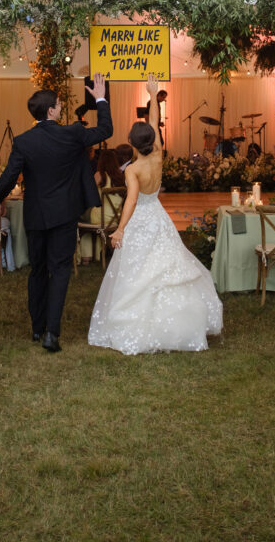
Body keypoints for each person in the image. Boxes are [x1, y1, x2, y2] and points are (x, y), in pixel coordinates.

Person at [89, 74, 222, 355]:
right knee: (164, 264)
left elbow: (132, 201)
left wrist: (121, 228)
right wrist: (152, 96)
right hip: (159, 217)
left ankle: (140, 323)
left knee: (137, 271)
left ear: (133, 144)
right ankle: (175, 324)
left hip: (142, 218)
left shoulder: (133, 170)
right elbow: (153, 122)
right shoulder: (159, 152)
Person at [0, 72, 112, 352]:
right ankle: (51, 334)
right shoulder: (72, 133)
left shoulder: (23, 141)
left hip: (35, 215)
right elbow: (105, 130)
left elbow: (8, 177)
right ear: (52, 110)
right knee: (60, 270)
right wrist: (101, 99)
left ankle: (37, 328)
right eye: (58, 103)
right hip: (64, 215)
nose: (61, 106)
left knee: (38, 271)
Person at [79, 148, 125, 263]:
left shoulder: (99, 175)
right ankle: (95, 254)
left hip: (100, 217)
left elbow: (87, 193)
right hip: (116, 218)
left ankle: (85, 256)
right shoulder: (121, 178)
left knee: (77, 216)